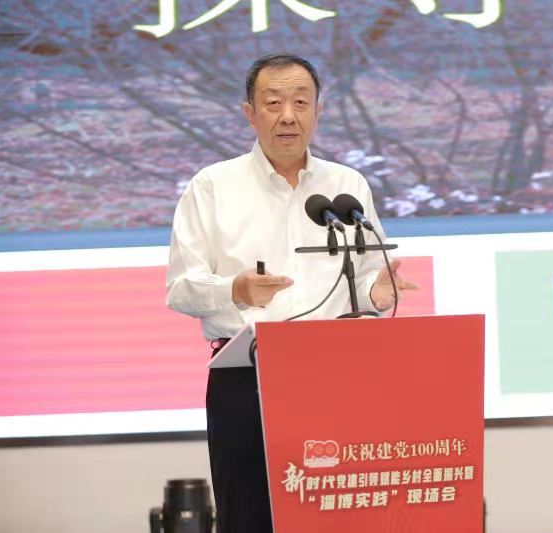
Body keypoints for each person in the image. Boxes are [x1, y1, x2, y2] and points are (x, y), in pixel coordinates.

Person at [165, 54, 419, 532]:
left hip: (337, 375)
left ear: (318, 112)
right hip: (247, 380)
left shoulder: (346, 185)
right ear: (250, 113)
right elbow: (180, 289)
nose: (288, 116)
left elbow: (365, 277)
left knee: (341, 516)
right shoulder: (212, 186)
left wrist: (376, 292)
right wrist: (235, 289)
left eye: (301, 103)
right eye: (273, 102)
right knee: (250, 517)